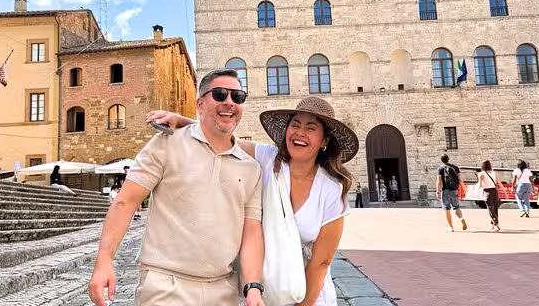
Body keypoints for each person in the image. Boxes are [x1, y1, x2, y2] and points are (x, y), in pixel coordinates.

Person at [147, 95, 359, 306]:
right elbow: (222, 139)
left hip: (308, 294)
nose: (300, 133)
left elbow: (320, 263)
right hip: (262, 291)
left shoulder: (331, 189)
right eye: (295, 124)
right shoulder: (268, 159)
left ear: (324, 141)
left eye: (311, 128)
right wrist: (180, 120)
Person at [89, 69, 265, 306]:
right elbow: (126, 201)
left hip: (224, 289)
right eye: (220, 94)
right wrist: (104, 261)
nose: (229, 102)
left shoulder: (251, 168)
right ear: (200, 105)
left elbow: (251, 231)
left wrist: (252, 286)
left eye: (238, 97)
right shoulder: (167, 143)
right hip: (165, 286)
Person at [436, 154, 467, 232]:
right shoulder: (455, 168)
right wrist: (464, 190)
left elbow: (439, 181)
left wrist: (438, 192)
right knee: (456, 207)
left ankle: (450, 226)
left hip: (445, 190)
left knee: (447, 209)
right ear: (448, 159)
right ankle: (461, 219)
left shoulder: (440, 169)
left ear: (441, 160)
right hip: (454, 190)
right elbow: (460, 180)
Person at [478, 160, 504, 232]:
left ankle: (496, 223)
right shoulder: (494, 173)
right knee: (495, 208)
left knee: (490, 208)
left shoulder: (481, 174)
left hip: (487, 191)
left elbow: (480, 185)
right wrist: (505, 192)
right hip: (495, 192)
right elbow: (499, 183)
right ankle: (493, 224)